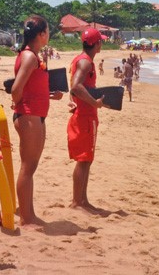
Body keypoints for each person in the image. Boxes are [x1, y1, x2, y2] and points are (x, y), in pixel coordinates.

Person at [10, 15, 63, 228]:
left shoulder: (33, 56)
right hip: (29, 115)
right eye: (48, 31)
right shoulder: (30, 57)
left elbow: (29, 88)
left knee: (31, 167)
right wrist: (22, 106)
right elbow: (16, 90)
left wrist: (49, 96)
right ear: (41, 35)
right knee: (27, 167)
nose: (49, 35)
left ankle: (28, 213)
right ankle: (26, 217)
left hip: (35, 114)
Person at [67, 27, 105, 213]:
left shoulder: (80, 60)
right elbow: (76, 86)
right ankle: (77, 201)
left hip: (84, 114)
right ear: (96, 44)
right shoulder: (86, 62)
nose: (101, 45)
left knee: (87, 159)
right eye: (101, 41)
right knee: (83, 160)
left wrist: (72, 100)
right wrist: (95, 103)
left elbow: (72, 87)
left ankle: (83, 199)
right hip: (85, 116)